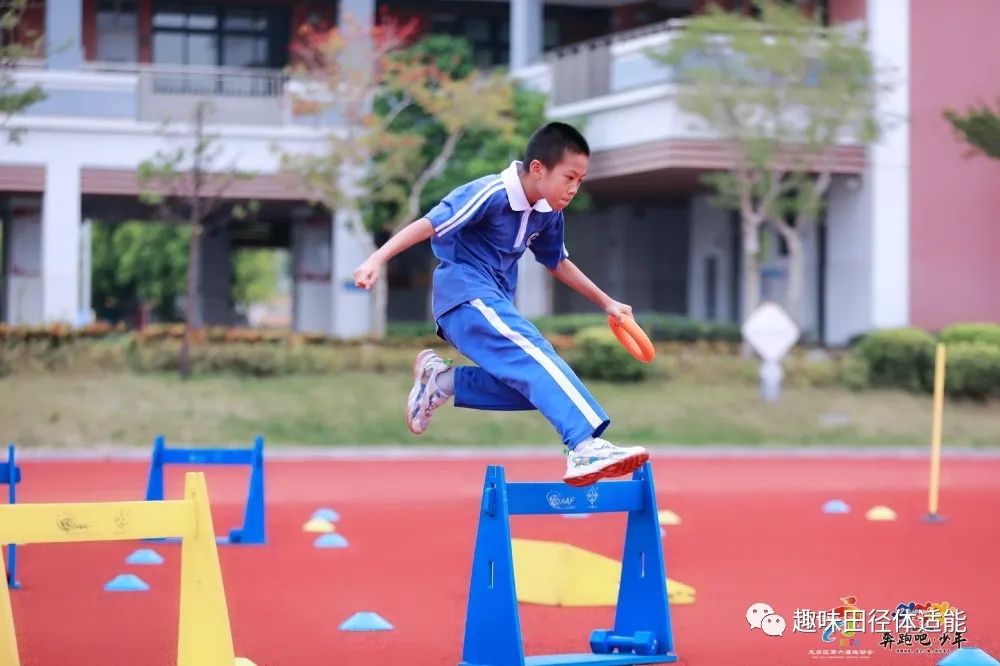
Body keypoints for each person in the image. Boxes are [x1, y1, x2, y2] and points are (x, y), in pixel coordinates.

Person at [353, 122, 648, 486]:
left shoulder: (548, 212)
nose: (574, 188)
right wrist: (376, 259)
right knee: (537, 354)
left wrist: (607, 302)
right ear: (538, 168)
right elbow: (429, 224)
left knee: (534, 385)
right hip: (465, 296)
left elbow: (556, 261)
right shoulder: (491, 193)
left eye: (580, 180)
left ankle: (441, 382)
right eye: (569, 177)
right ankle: (585, 446)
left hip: (491, 303)